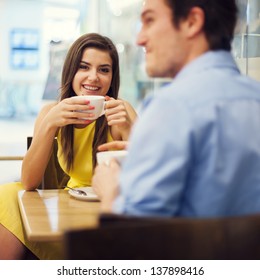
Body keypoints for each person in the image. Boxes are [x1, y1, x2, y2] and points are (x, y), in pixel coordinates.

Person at [92, 0, 260, 217]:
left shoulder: (171, 107)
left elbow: (131, 237)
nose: (140, 39)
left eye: (150, 20)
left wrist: (110, 192)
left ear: (192, 22)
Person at [0, 33, 137, 259]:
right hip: (69, 207)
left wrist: (131, 129)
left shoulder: (120, 113)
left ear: (112, 77)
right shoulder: (51, 112)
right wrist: (50, 123)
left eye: (104, 70)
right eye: (84, 67)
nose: (93, 77)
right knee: (5, 196)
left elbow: (146, 180)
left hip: (106, 213)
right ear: (71, 71)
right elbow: (29, 182)